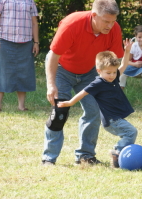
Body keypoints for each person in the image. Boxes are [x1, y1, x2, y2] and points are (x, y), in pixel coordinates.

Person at [41, 0, 124, 166]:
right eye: (106, 21)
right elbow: (53, 55)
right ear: (94, 15)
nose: (110, 25)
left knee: (94, 110)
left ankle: (85, 156)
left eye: (113, 21)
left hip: (90, 72)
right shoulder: (72, 24)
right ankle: (49, 158)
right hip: (62, 69)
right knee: (59, 113)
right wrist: (51, 84)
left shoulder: (114, 29)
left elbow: (114, 60)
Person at [58, 39, 137, 168]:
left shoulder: (113, 76)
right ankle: (117, 151)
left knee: (130, 133)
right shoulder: (98, 83)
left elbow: (123, 65)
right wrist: (70, 102)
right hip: (111, 119)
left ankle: (117, 159)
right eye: (108, 73)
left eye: (113, 72)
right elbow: (83, 92)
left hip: (116, 117)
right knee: (131, 132)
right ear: (99, 71)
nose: (112, 75)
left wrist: (127, 51)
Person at [0, 0, 40, 113]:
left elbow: (34, 23)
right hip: (4, 40)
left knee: (24, 73)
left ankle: (21, 106)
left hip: (26, 42)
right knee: (1, 71)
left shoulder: (29, 1)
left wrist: (36, 42)